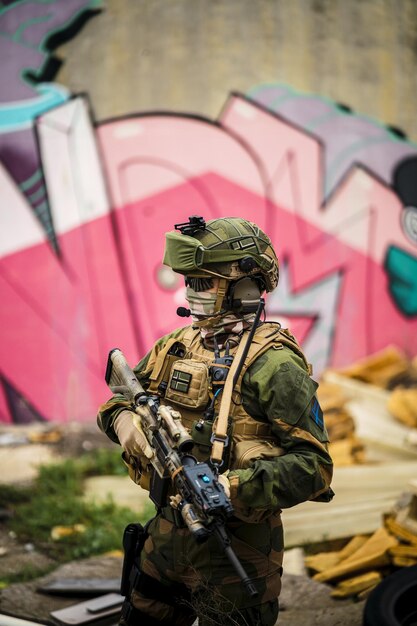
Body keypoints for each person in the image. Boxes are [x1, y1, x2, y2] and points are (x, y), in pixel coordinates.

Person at [97, 216, 334, 626]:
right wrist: (123, 424)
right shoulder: (178, 345)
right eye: (188, 281)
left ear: (244, 286)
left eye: (203, 283)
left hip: (237, 552)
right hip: (166, 539)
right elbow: (118, 398)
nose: (191, 291)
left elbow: (315, 467)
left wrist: (231, 487)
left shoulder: (275, 365)